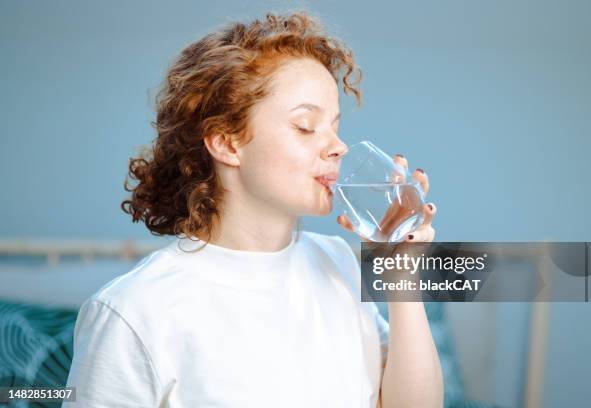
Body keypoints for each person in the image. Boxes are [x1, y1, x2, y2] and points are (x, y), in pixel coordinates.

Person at [63, 11, 443, 408]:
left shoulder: (338, 263)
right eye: (305, 126)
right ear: (227, 144)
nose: (338, 147)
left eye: (335, 126)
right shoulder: (134, 310)